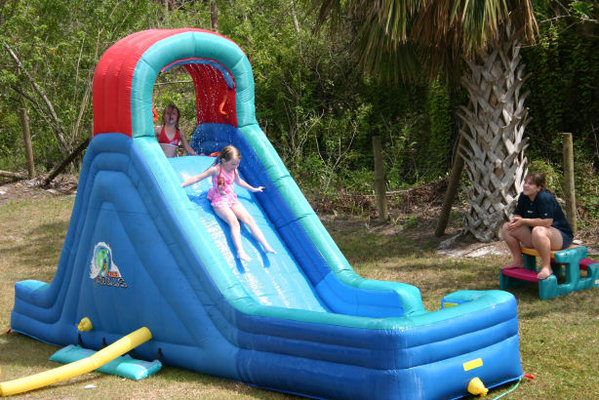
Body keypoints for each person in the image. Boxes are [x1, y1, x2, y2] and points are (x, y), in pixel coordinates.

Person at [181, 145, 276, 261]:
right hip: (219, 202)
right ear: (223, 160)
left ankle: (265, 246)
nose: (236, 166)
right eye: (233, 164)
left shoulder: (234, 170)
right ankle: (240, 251)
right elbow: (197, 178)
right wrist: (181, 185)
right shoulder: (216, 170)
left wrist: (253, 189)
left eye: (237, 164)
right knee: (234, 223)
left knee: (249, 220)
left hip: (231, 198)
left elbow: (239, 182)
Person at [501, 172, 574, 280]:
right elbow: (518, 214)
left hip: (560, 236)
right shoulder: (524, 196)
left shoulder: (545, 197)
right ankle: (518, 261)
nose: (526, 185)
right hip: (537, 236)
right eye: (525, 182)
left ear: (539, 187)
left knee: (538, 230)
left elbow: (547, 222)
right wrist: (516, 220)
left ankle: (546, 267)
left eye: (530, 184)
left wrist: (524, 221)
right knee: (507, 227)